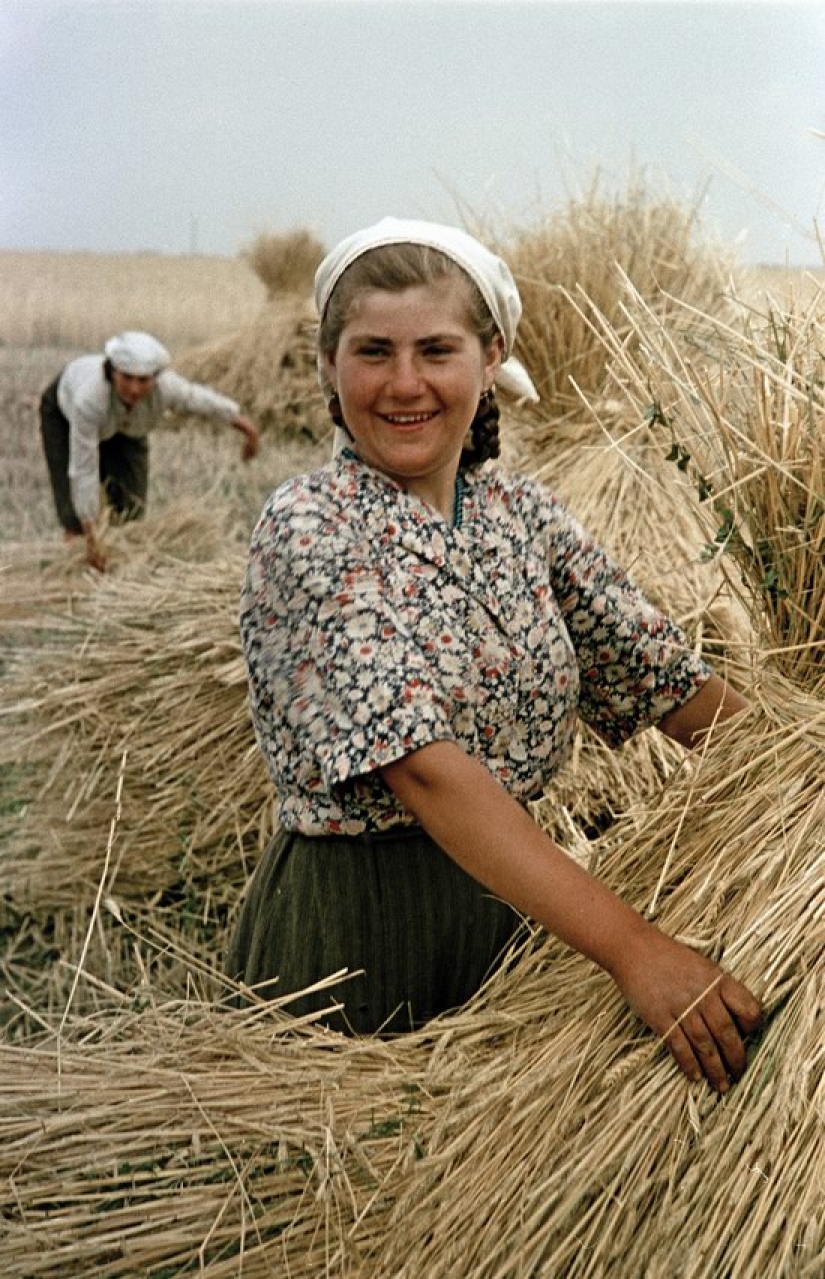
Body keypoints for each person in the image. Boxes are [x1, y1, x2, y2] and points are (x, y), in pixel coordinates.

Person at [227, 217, 762, 1093]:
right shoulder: (310, 524)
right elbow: (426, 769)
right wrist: (635, 949)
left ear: (489, 357)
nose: (405, 383)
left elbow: (667, 681)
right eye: (372, 352)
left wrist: (794, 783)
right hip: (358, 941)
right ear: (328, 367)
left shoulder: (521, 516)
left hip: (517, 911)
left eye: (436, 349)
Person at [39, 330, 260, 570]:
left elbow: (199, 400)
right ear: (113, 373)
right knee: (76, 518)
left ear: (155, 378)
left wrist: (247, 428)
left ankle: (117, 571)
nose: (134, 389)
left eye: (143, 380)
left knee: (131, 511)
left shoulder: (166, 387)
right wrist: (92, 539)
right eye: (127, 378)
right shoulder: (89, 400)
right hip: (65, 416)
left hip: (129, 427)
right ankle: (74, 571)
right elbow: (83, 469)